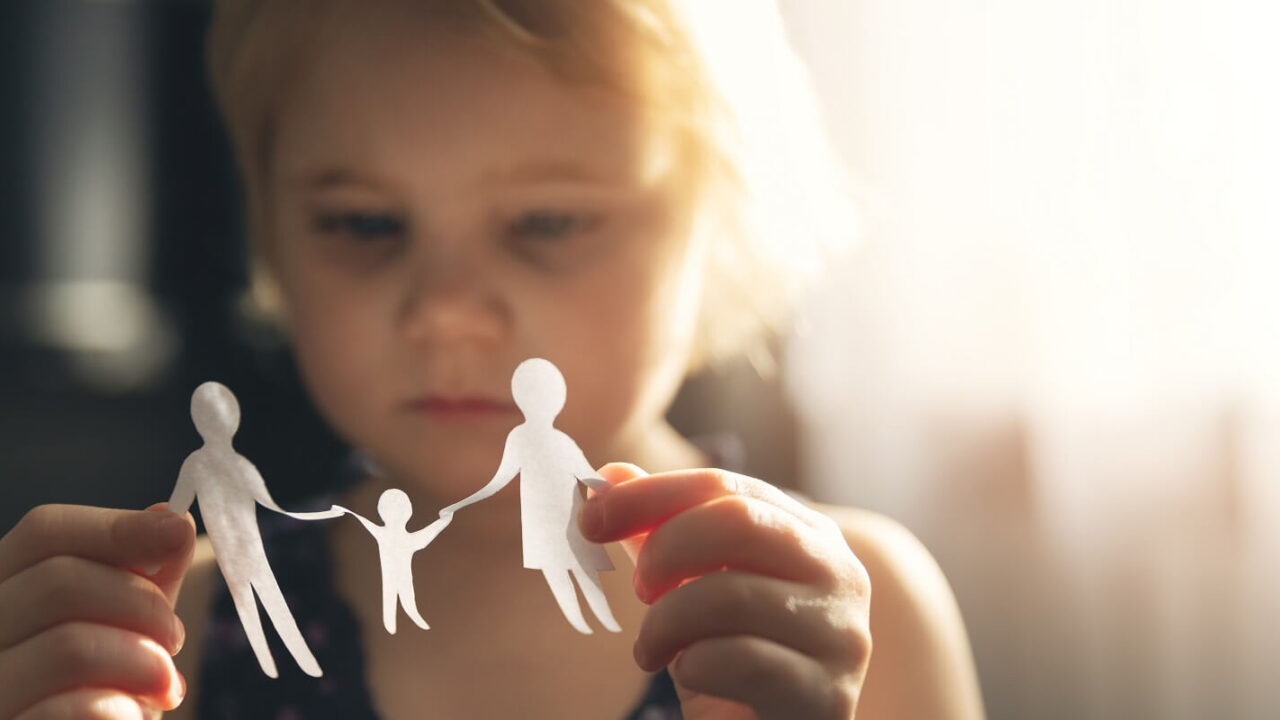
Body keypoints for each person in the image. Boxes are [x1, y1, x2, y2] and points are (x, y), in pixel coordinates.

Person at [0, 1, 986, 718]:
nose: (443, 313)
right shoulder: (181, 634)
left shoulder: (847, 613)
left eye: (546, 221)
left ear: (720, 226)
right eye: (363, 222)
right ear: (271, 236)